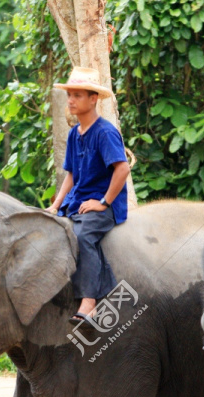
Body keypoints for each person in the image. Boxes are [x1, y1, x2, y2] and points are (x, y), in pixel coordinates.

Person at [46, 67, 131, 329]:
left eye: (78, 95)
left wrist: (103, 202)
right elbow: (70, 176)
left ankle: (90, 302)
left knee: (83, 236)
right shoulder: (74, 134)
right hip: (78, 201)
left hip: (103, 205)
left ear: (94, 99)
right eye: (69, 95)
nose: (71, 100)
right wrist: (55, 205)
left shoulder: (104, 132)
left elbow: (123, 168)